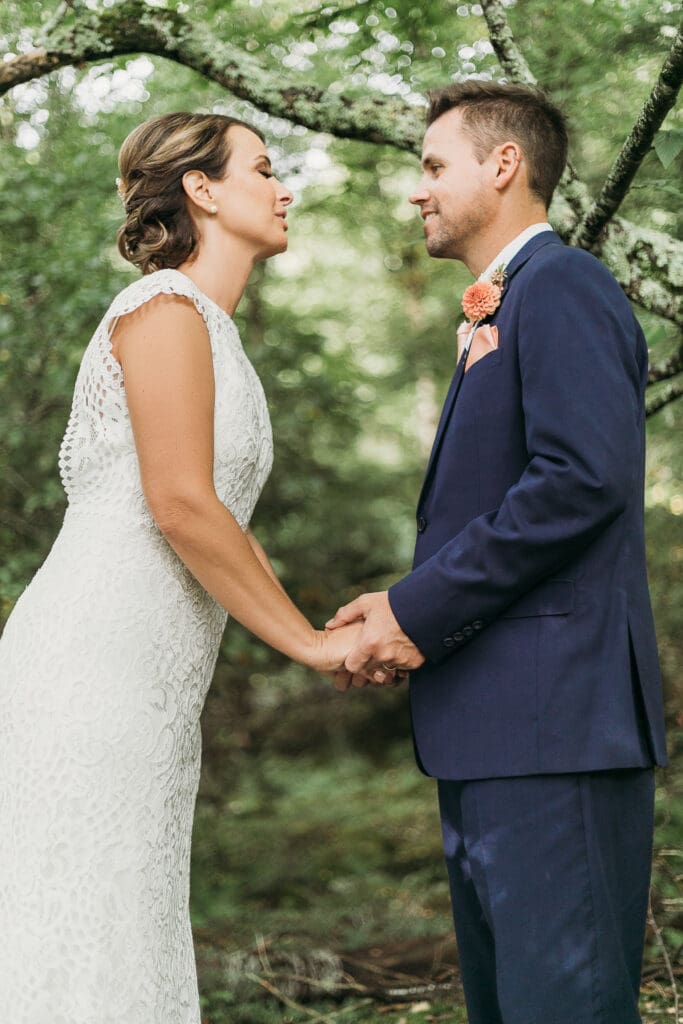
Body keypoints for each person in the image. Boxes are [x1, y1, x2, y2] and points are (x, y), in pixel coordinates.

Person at [0, 111, 362, 1024]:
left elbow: (217, 521)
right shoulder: (160, 309)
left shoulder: (215, 330)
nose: (284, 190)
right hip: (92, 670)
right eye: (265, 169)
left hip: (154, 681)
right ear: (201, 189)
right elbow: (184, 504)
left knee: (131, 910)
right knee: (80, 915)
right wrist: (312, 645)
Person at [328, 82, 668, 1023]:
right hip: (495, 729)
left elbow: (578, 482)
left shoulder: (563, 287)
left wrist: (414, 609)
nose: (417, 190)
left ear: (504, 164)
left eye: (434, 166)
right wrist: (407, 607)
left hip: (555, 728)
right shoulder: (505, 305)